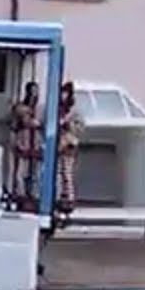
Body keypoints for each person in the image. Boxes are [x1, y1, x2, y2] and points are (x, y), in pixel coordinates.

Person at [10, 82, 41, 210]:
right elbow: (16, 124)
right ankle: (20, 197)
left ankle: (33, 197)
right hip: (23, 142)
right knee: (20, 174)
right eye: (32, 91)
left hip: (36, 143)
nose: (34, 94)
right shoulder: (20, 108)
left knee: (34, 174)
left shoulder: (41, 109)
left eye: (36, 91)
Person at [56, 81, 84, 214]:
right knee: (59, 173)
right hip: (58, 144)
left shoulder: (74, 112)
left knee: (67, 172)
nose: (63, 95)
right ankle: (60, 197)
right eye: (62, 92)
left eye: (66, 93)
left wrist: (68, 125)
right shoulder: (57, 109)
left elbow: (78, 128)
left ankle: (69, 199)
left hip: (69, 144)